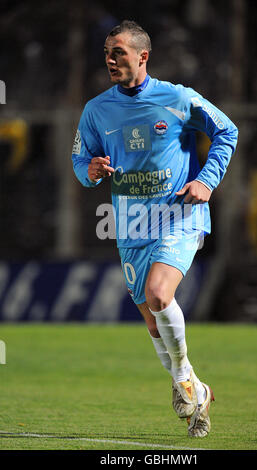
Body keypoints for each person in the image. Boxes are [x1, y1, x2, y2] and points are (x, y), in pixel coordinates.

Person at [72, 20, 238, 438]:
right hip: (129, 223)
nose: (110, 60)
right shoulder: (96, 110)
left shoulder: (178, 98)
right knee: (152, 322)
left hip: (178, 215)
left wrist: (207, 180)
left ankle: (183, 377)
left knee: (159, 295)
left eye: (119, 53)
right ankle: (196, 389)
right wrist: (89, 170)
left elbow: (227, 131)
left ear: (143, 57)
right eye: (107, 52)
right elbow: (81, 163)